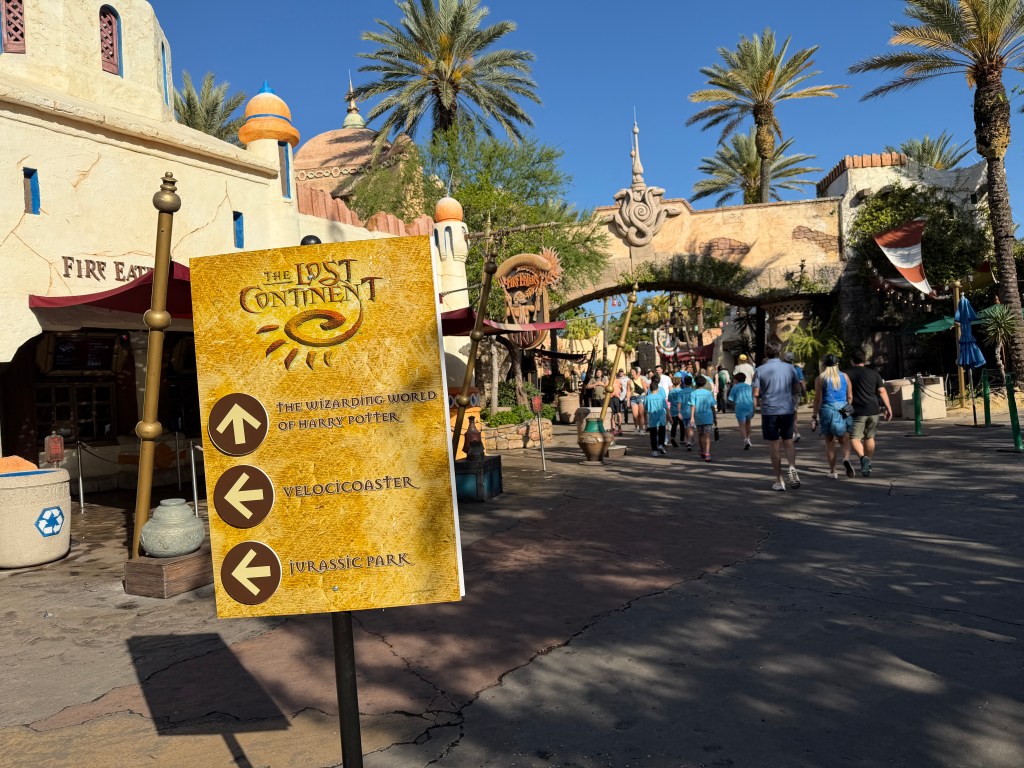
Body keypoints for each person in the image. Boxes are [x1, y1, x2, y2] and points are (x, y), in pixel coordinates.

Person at [751, 343, 803, 491]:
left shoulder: (760, 370)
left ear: (766, 354)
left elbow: (755, 393)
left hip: (769, 411)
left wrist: (764, 393)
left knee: (774, 445)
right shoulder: (790, 368)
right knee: (788, 441)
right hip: (787, 409)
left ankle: (779, 480)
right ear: (779, 352)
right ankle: (792, 467)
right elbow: (797, 388)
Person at [845, 350, 893, 477]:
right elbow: (882, 391)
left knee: (854, 438)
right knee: (870, 437)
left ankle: (863, 458)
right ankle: (868, 463)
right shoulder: (873, 373)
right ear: (864, 360)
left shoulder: (847, 374)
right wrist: (888, 408)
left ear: (852, 360)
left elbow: (844, 393)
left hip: (857, 410)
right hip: (873, 409)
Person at [809, 354, 856, 479]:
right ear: (837, 364)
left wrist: (814, 416)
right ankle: (846, 459)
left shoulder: (820, 379)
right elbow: (850, 396)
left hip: (827, 410)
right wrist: (847, 408)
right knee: (844, 440)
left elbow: (818, 399)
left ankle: (833, 471)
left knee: (830, 442)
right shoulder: (845, 376)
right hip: (843, 408)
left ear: (824, 364)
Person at [688, 375, 717, 462]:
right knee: (707, 435)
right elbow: (712, 406)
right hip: (708, 416)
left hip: (698, 416)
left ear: (696, 383)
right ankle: (707, 453)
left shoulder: (693, 393)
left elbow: (693, 405)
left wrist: (692, 417)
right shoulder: (708, 393)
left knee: (700, 434)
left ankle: (702, 450)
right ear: (704, 383)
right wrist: (715, 418)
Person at [728, 371, 754, 449]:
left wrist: (732, 406)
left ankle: (745, 439)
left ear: (736, 379)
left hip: (740, 406)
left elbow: (730, 399)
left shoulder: (735, 387)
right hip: (749, 405)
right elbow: (753, 397)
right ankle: (748, 438)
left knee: (742, 425)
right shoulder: (749, 386)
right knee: (748, 423)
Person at [644, 378, 669, 456]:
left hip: (652, 417)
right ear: (657, 388)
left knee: (653, 434)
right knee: (662, 431)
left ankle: (654, 450)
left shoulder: (647, 398)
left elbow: (646, 408)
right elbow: (665, 407)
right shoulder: (661, 397)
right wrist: (669, 416)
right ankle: (661, 444)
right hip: (661, 416)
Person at [628, 367, 648, 433]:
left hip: (641, 397)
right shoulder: (629, 381)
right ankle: (636, 426)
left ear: (637, 373)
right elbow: (628, 391)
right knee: (635, 415)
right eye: (631, 372)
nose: (632, 373)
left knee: (641, 414)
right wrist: (628, 400)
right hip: (633, 398)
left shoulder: (641, 380)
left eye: (633, 372)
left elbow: (645, 389)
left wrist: (647, 398)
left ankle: (641, 429)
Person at [610, 369, 629, 434]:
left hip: (617, 398)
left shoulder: (618, 381)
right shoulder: (608, 381)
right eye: (611, 374)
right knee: (612, 414)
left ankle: (620, 427)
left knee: (619, 413)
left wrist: (618, 394)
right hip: (610, 398)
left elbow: (622, 389)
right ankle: (613, 428)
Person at [668, 376, 685, 447]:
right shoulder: (681, 391)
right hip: (681, 410)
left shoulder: (671, 392)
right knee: (682, 425)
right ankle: (682, 439)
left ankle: (672, 437)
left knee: (674, 425)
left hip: (673, 410)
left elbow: (669, 400)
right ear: (680, 382)